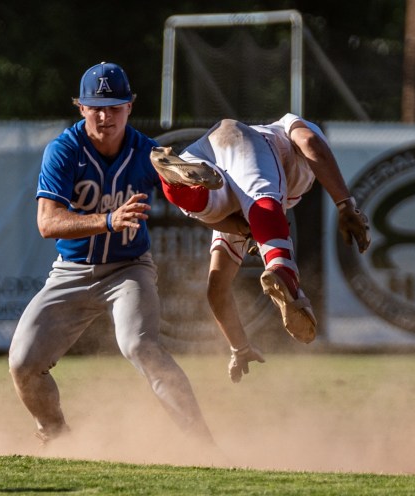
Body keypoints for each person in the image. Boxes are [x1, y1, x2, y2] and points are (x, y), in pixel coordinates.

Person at [8, 62, 213, 444]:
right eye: (96, 106)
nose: (105, 115)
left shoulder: (149, 153)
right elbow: (47, 223)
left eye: (115, 106)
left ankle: (204, 445)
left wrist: (230, 213)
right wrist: (106, 220)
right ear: (81, 108)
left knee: (140, 345)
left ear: (130, 107)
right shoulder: (64, 151)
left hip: (128, 270)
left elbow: (201, 199)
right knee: (22, 364)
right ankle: (54, 434)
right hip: (72, 270)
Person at [150, 115, 370, 382]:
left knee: (213, 203)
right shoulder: (286, 127)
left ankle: (177, 186)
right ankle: (283, 269)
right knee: (262, 201)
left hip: (210, 161)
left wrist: (239, 347)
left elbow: (217, 290)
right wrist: (345, 204)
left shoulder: (248, 213)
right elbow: (311, 141)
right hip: (244, 144)